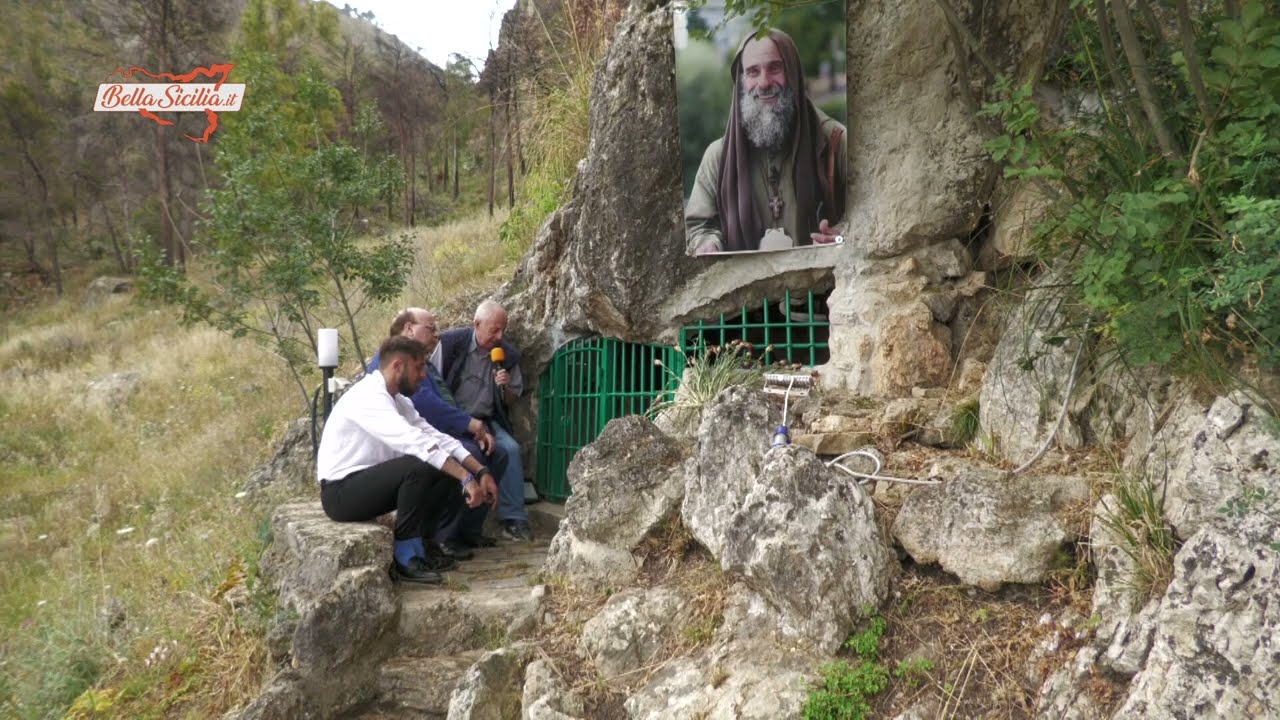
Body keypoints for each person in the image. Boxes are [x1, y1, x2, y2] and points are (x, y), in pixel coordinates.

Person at [316, 335, 499, 585]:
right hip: (340, 494)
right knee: (419, 463)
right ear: (398, 366)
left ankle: (424, 546)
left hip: (366, 483)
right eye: (419, 367)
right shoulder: (368, 396)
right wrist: (465, 478)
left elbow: (436, 437)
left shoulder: (398, 400)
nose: (424, 375)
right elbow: (416, 443)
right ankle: (406, 556)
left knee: (440, 466)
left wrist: (481, 472)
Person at [685, 28, 847, 254]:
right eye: (752, 72)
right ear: (741, 82)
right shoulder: (718, 157)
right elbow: (698, 227)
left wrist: (840, 237)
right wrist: (708, 244)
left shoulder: (835, 142)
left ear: (793, 73)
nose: (763, 82)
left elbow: (869, 217)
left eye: (775, 68)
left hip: (825, 286)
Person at [368, 308, 510, 555]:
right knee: (469, 453)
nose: (436, 334)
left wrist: (471, 425)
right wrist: (469, 425)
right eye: (430, 328)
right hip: (417, 438)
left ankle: (468, 530)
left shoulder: (423, 362)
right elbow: (424, 406)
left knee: (498, 454)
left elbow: (443, 402)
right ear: (409, 329)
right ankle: (444, 536)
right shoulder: (393, 362)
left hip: (440, 430)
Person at [437, 300, 535, 542]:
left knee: (510, 449)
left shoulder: (507, 355)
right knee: (466, 452)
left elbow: (512, 399)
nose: (499, 336)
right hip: (454, 418)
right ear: (477, 324)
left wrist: (506, 386)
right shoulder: (452, 343)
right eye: (494, 330)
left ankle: (514, 519)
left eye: (503, 330)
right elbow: (433, 381)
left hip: (487, 420)